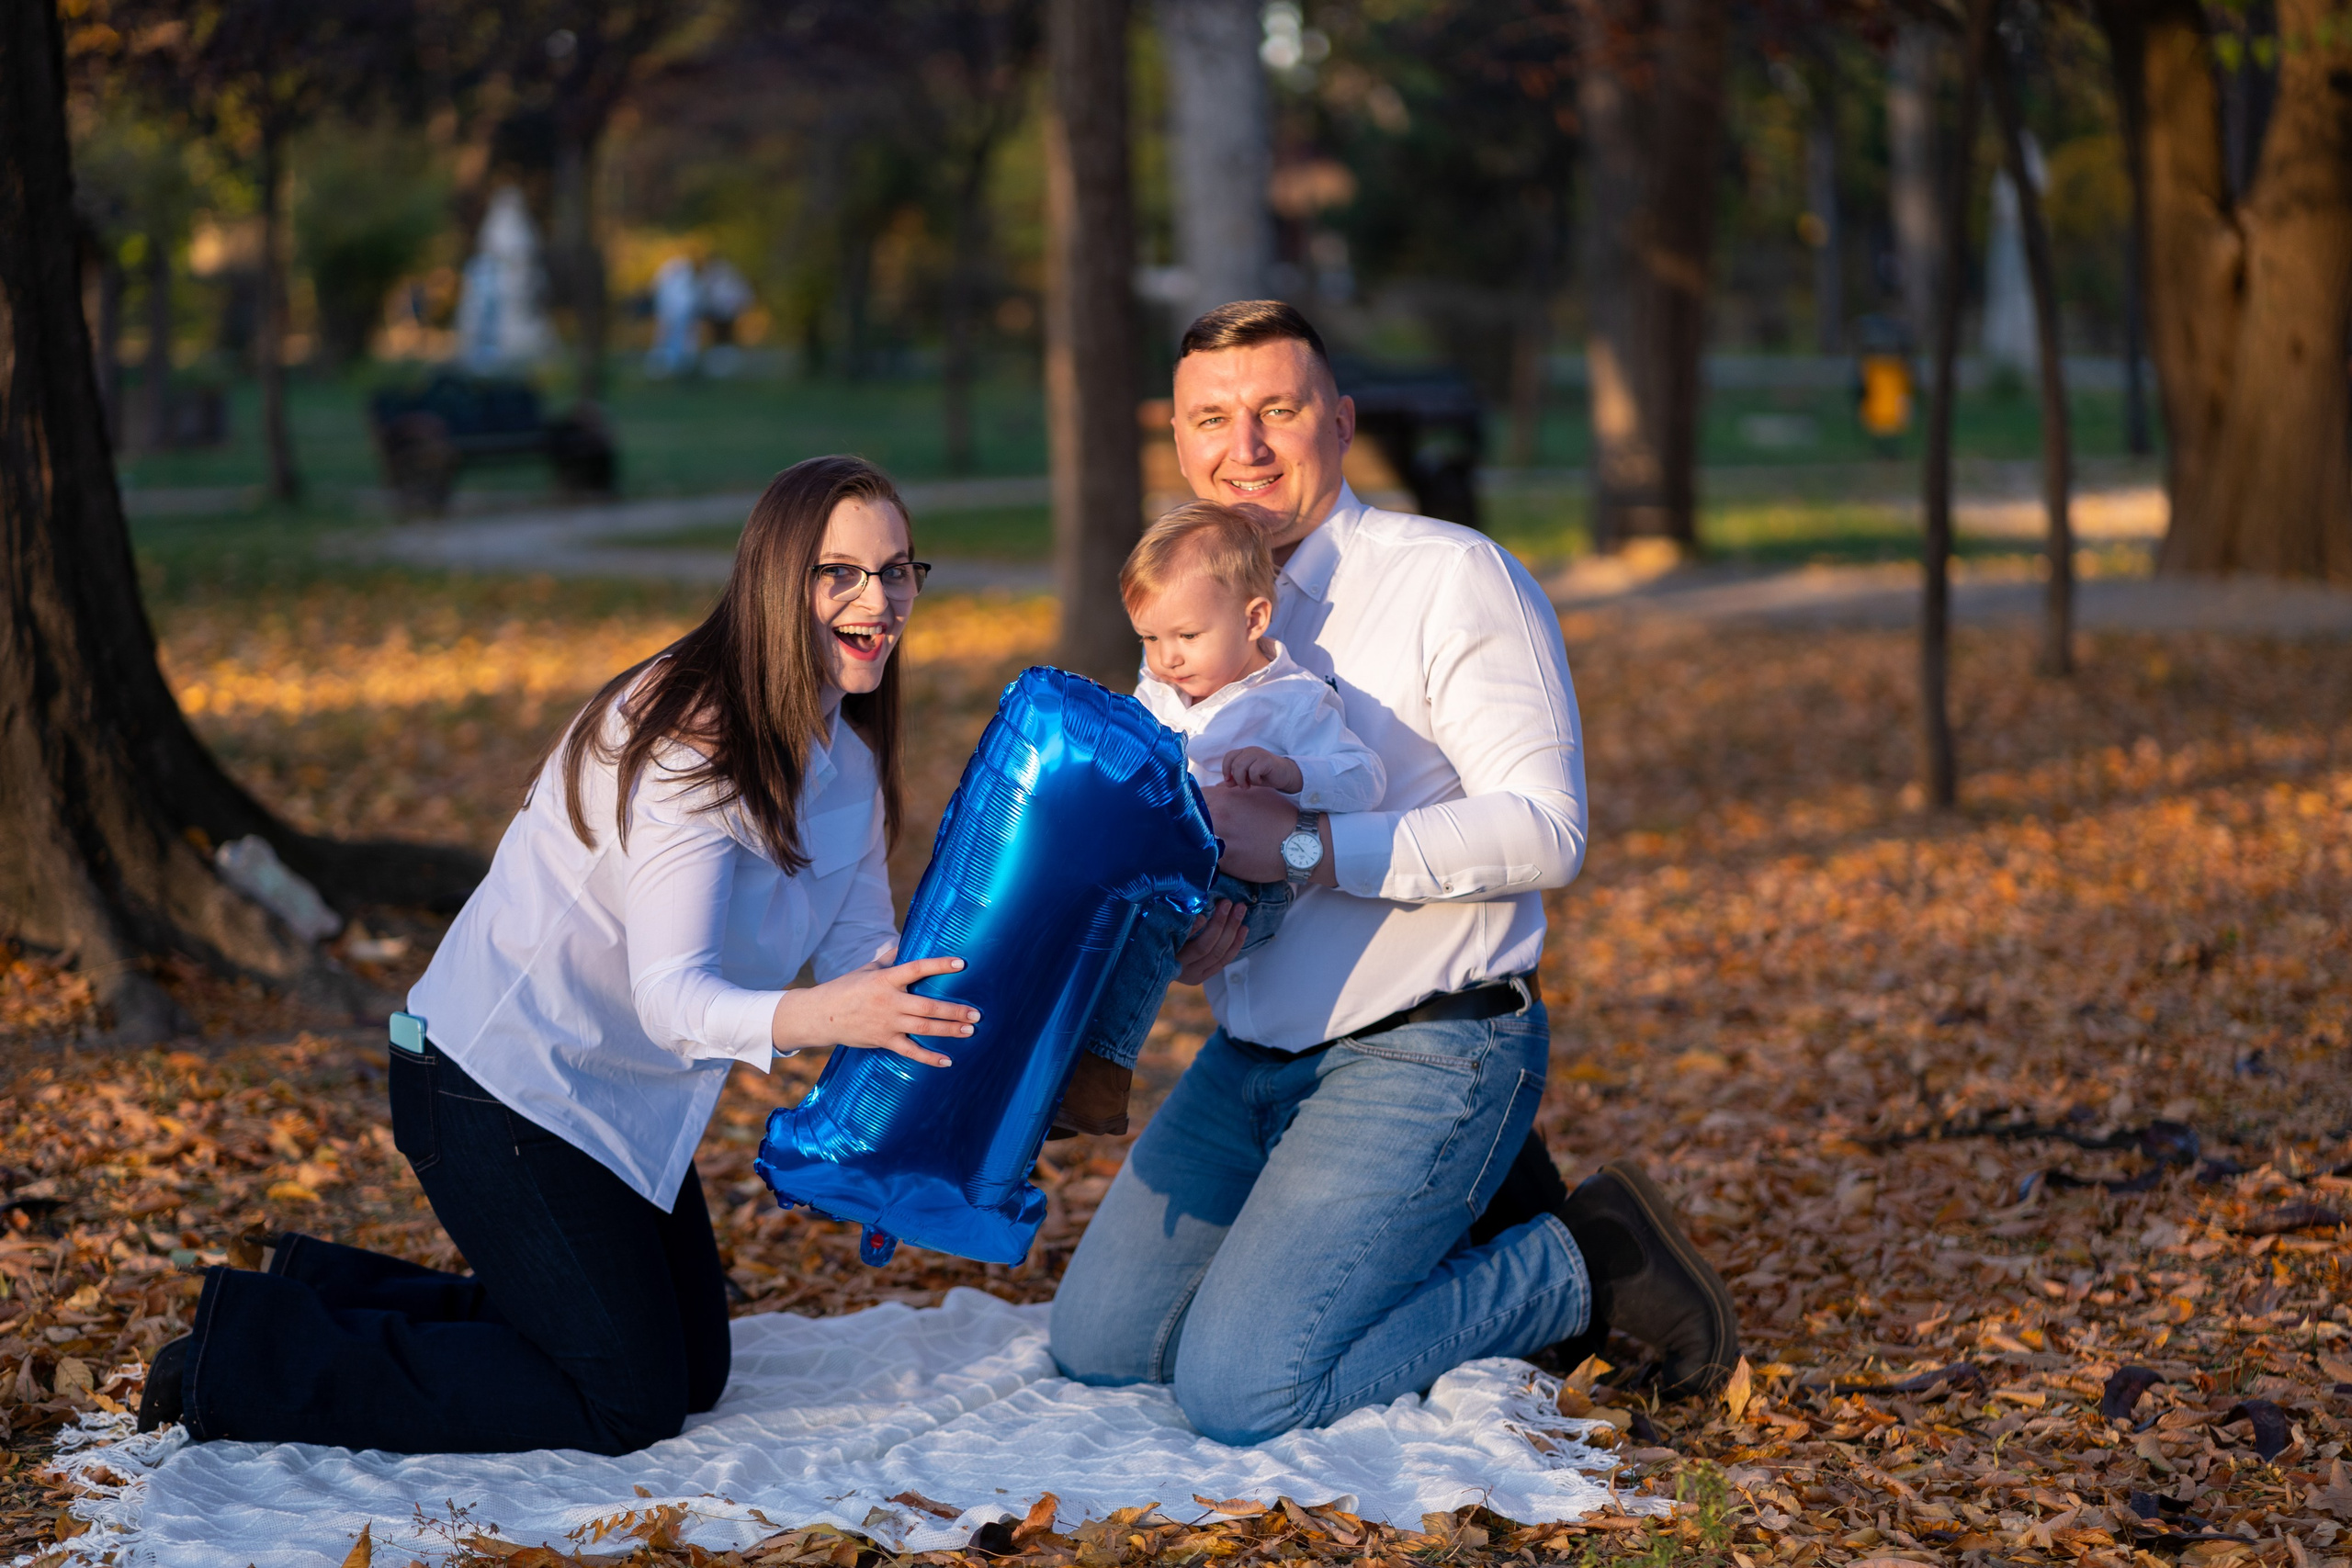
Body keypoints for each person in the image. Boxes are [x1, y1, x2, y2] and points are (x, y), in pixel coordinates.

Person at [138, 456, 981, 1454]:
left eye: (896, 572)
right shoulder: (694, 745)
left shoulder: (851, 753)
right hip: (496, 1087)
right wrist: (826, 1019)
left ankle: (316, 1290)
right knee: (628, 1400)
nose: (876, 601)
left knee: (691, 1369)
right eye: (838, 572)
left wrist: (962, 1031)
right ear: (773, 580)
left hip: (623, 1093)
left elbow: (862, 956)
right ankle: (237, 1364)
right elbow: (674, 1002)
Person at [1049, 301, 1739, 1445]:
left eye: (1277, 410)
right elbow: (1191, 842)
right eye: (1212, 418)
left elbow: (1545, 830)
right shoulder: (1182, 618)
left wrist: (1313, 852)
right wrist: (1187, 930)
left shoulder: (1453, 578)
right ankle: (1448, 1213)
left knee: (1243, 1392)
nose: (1246, 446)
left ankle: (1581, 1257)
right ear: (1177, 440)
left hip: (1428, 1042)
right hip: (1252, 1059)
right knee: (1103, 1346)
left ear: (1340, 419)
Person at [1053, 501, 1384, 1139]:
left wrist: (1293, 773)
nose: (1165, 658)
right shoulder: (1159, 693)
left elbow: (1365, 778)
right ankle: (1040, 1050)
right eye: (1149, 638)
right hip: (1166, 865)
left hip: (1247, 889)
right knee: (1077, 902)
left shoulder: (1293, 701)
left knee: (1150, 917)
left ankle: (1100, 1077)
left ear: (1254, 615)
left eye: (1186, 636)